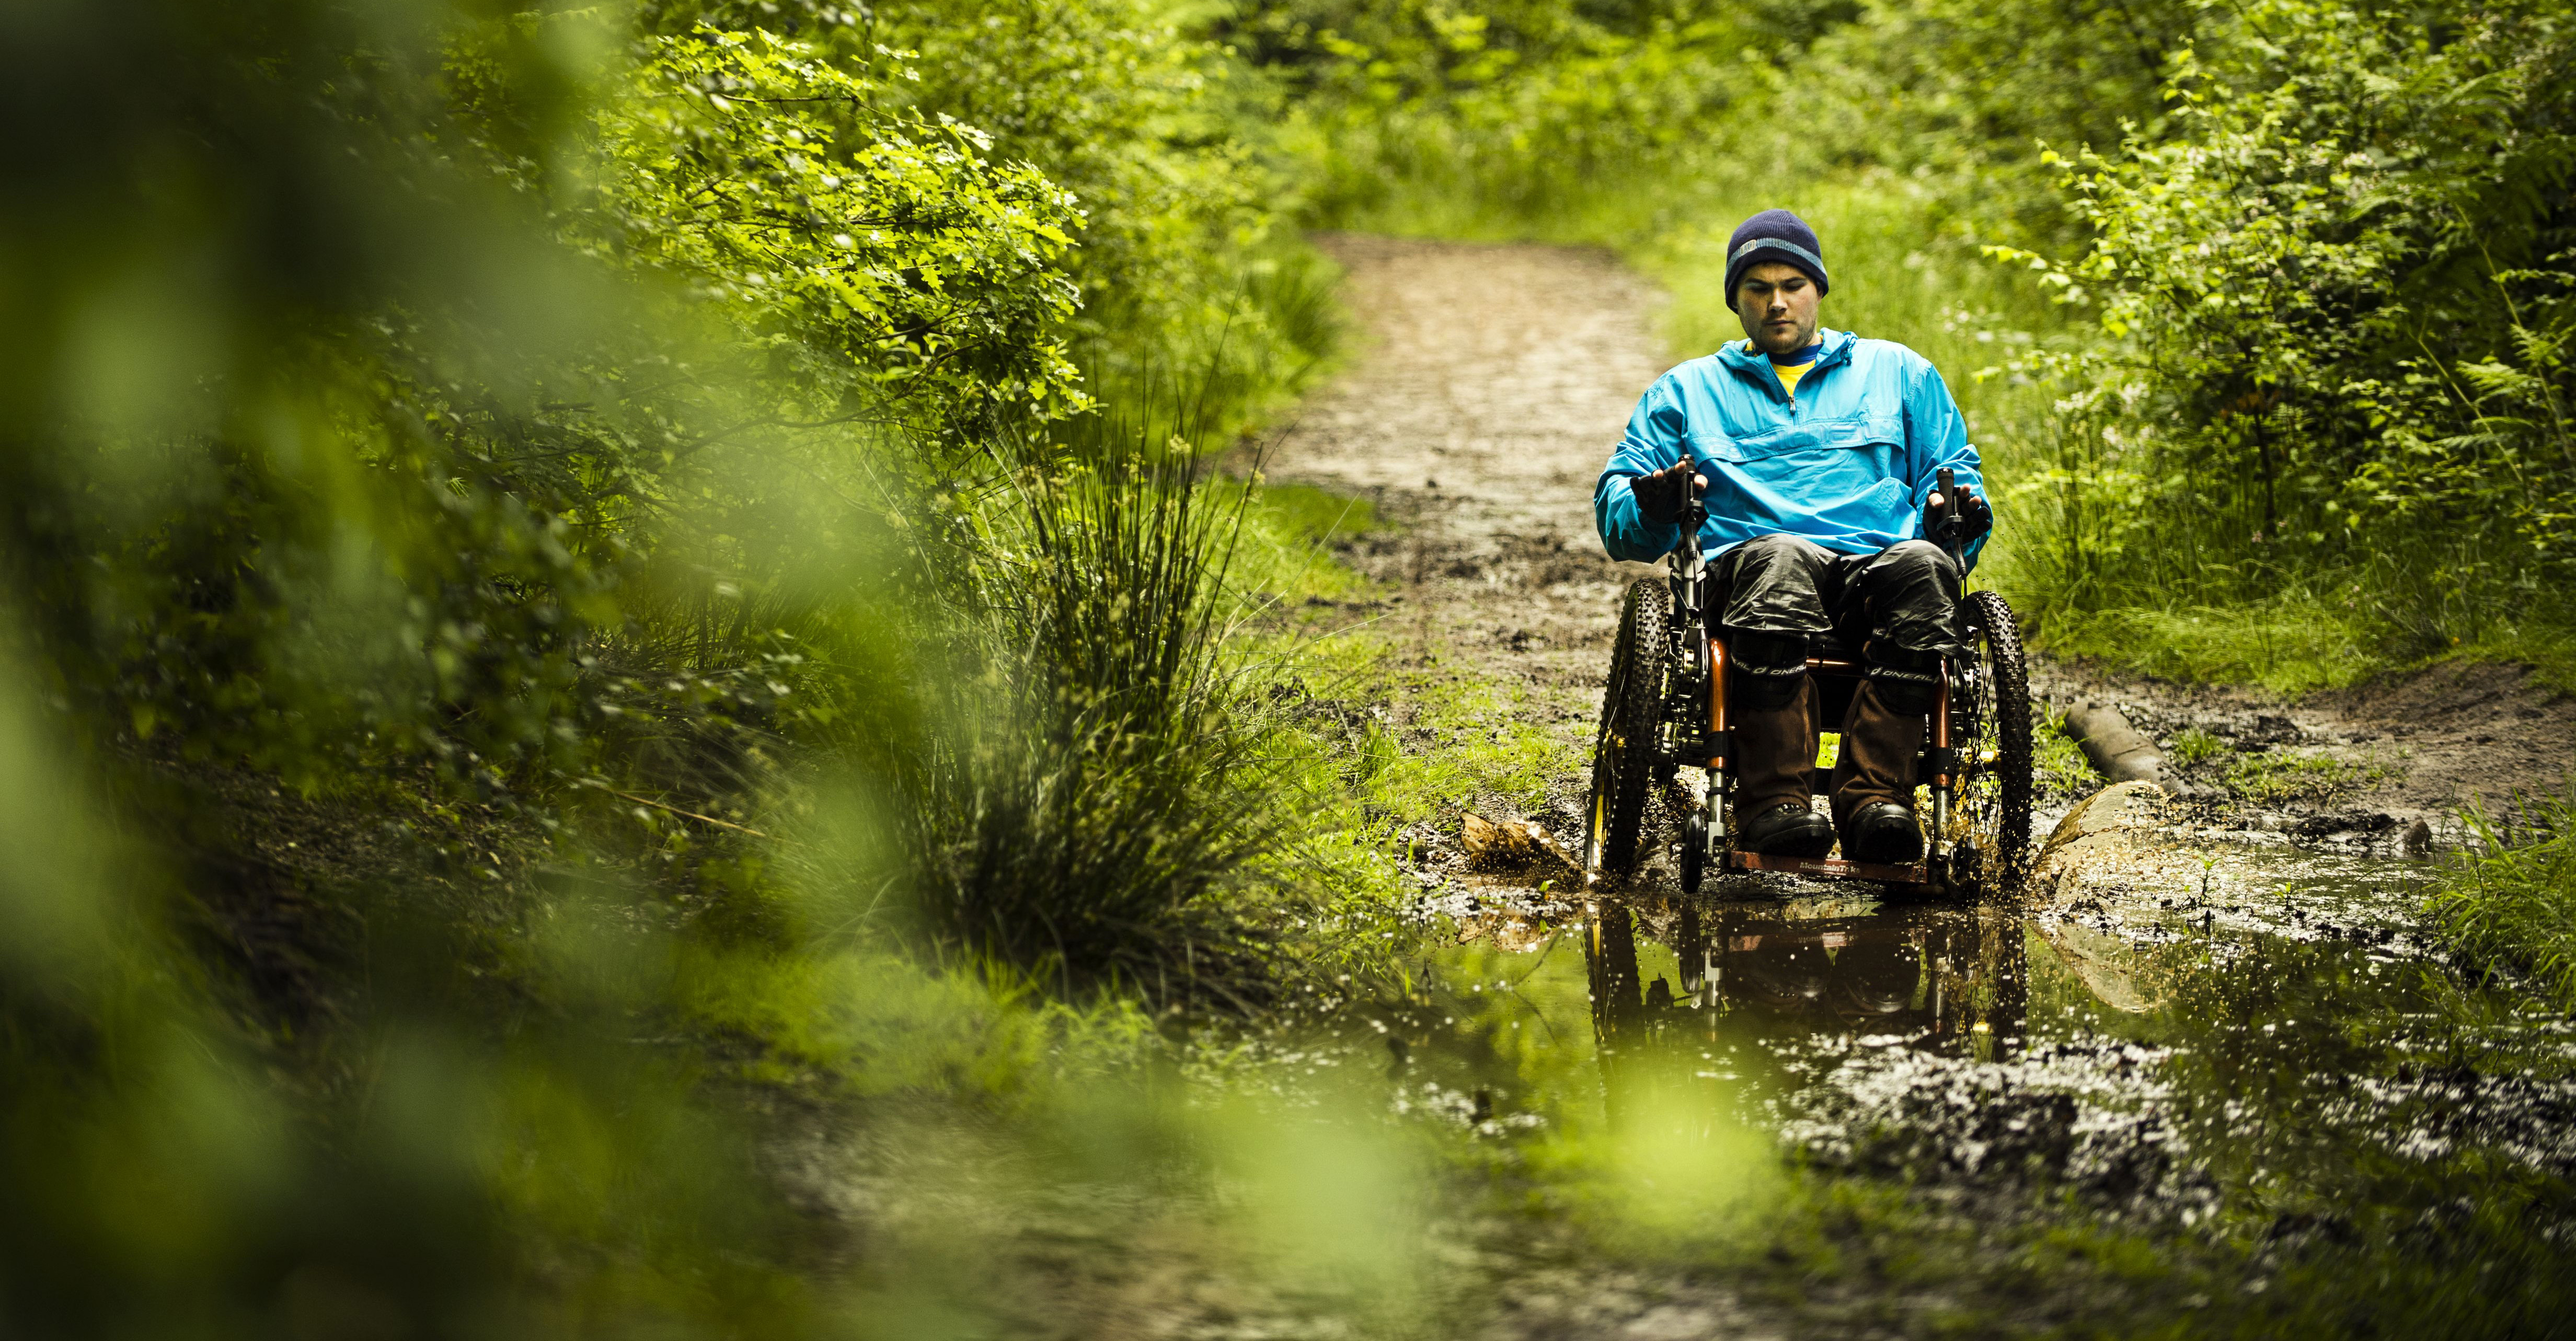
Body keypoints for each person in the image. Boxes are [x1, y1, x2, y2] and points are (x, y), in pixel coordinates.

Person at [1593, 208, 1993, 864]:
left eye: (1791, 285)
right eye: (1756, 288)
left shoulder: (1899, 373)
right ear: (1735, 301)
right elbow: (1619, 517)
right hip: (1753, 574)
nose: (1776, 302)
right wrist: (1652, 504)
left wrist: (1960, 516)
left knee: (1926, 566)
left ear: (1818, 290)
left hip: (1875, 570)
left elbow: (1951, 479)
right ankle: (1773, 801)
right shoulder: (1688, 391)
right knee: (1780, 558)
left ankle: (1872, 800)